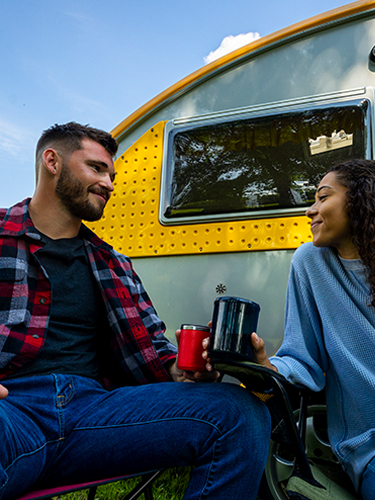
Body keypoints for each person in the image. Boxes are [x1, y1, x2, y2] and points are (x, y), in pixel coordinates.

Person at [0, 122, 271, 500]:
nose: (109, 183)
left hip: (94, 415)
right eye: (96, 168)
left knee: (240, 413)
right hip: (12, 409)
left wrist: (184, 369)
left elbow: (153, 352)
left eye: (112, 175)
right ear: (52, 161)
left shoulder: (114, 263)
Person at [250, 159, 375, 499]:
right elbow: (303, 360)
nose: (311, 210)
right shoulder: (311, 263)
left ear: (361, 199)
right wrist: (265, 366)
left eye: (323, 197)